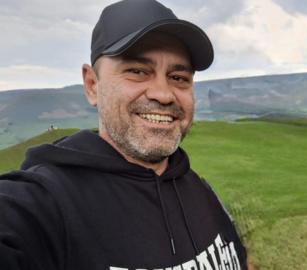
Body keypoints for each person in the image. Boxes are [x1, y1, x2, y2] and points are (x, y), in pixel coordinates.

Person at [0, 0, 248, 269]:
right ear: (92, 85)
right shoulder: (44, 206)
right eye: (138, 72)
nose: (163, 94)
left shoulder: (201, 191)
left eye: (178, 77)